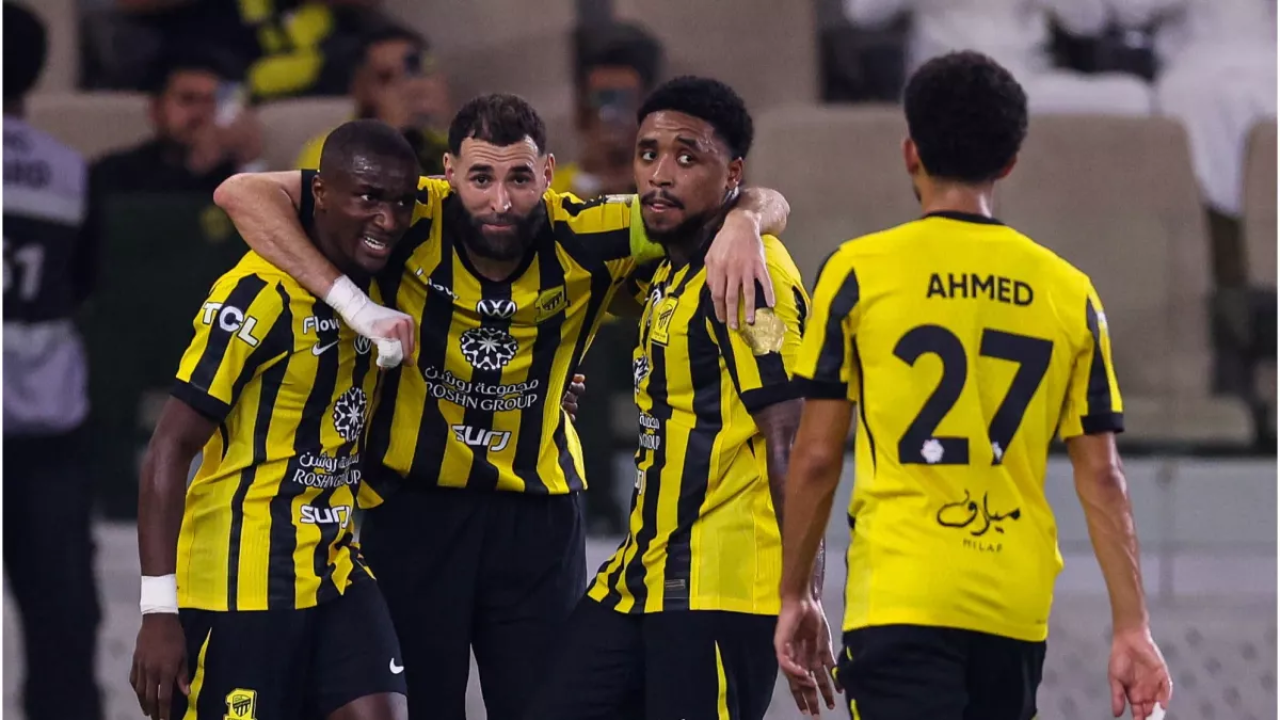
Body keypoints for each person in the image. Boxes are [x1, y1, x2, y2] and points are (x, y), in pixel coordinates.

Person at [211, 92, 790, 720]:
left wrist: (745, 220)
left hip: (537, 522)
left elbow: (742, 201)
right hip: (414, 512)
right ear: (448, 172)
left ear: (548, 174)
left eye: (519, 178)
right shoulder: (408, 212)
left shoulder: (593, 230)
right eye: (480, 178)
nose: (500, 201)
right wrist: (356, 306)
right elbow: (240, 192)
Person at [773, 51, 1173, 720]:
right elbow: (1104, 477)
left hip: (901, 593)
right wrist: (1132, 627)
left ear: (911, 152)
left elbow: (815, 457)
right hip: (1013, 607)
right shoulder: (1069, 292)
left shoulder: (857, 272)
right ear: (1008, 162)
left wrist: (796, 594)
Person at [523, 75, 824, 720]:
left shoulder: (749, 273)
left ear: (731, 173)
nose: (660, 174)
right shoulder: (669, 264)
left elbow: (792, 439)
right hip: (644, 571)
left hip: (718, 583)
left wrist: (802, 592)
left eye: (687, 158)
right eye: (649, 153)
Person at [129, 120, 420, 720]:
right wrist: (158, 611)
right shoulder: (258, 294)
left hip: (334, 568)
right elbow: (169, 448)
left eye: (400, 202)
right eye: (368, 198)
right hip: (238, 583)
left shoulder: (386, 286)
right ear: (320, 193)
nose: (388, 219)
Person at [3, 3, 103, 719]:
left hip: (42, 439)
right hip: (48, 428)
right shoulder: (70, 173)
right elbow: (86, 285)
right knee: (63, 618)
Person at [296, 23, 451, 175]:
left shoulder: (446, 146)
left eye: (415, 73)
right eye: (386, 78)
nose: (408, 88)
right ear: (360, 89)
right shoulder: (331, 152)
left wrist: (449, 125)